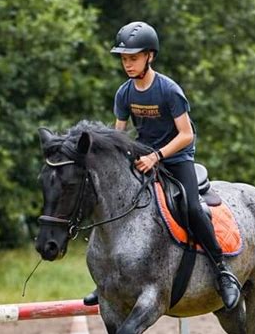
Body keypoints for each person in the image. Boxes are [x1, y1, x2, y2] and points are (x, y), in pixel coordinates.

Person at [84, 21, 241, 309]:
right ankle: (106, 281)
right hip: (143, 159)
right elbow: (119, 134)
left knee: (193, 208)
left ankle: (222, 272)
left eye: (133, 58)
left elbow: (187, 134)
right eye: (124, 59)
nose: (128, 64)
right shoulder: (124, 93)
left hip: (176, 159)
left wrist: (157, 156)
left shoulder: (169, 91)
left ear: (150, 56)